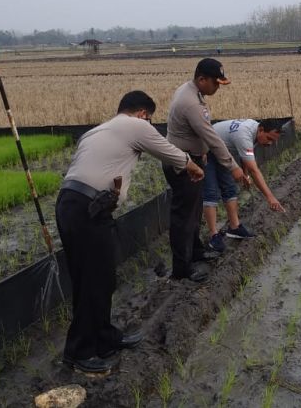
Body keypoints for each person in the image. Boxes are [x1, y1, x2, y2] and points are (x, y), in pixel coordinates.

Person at [56, 91, 204, 374]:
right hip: (86, 208)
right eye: (149, 119)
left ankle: (105, 337)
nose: (148, 124)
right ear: (143, 114)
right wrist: (192, 165)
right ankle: (80, 352)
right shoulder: (135, 125)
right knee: (92, 281)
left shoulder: (97, 131)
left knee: (101, 278)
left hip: (75, 206)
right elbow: (167, 150)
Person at [164, 58, 249, 282]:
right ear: (202, 79)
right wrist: (233, 166)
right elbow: (211, 137)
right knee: (184, 216)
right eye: (215, 82)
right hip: (183, 165)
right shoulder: (190, 102)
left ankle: (196, 251)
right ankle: (181, 268)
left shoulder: (192, 91)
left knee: (193, 212)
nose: (218, 87)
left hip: (192, 160)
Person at [203, 118, 286, 250]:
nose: (270, 143)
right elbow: (254, 170)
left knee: (230, 188)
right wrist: (270, 197)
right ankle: (214, 236)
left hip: (223, 151)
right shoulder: (244, 135)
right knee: (211, 192)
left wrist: (245, 174)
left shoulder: (254, 130)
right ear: (261, 130)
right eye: (269, 139)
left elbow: (244, 156)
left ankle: (234, 228)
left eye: (273, 141)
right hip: (206, 149)